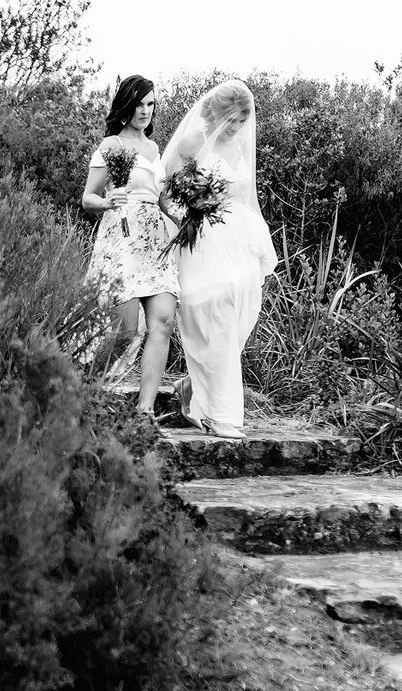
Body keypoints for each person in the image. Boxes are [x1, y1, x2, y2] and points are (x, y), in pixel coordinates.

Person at [159, 79, 277, 439]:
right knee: (214, 308)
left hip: (235, 233)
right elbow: (166, 192)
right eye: (233, 121)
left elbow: (243, 196)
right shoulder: (193, 142)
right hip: (202, 235)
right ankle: (223, 416)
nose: (239, 128)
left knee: (240, 308)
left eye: (244, 122)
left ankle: (190, 386)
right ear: (218, 112)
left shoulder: (239, 145)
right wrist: (186, 215)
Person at [80, 74, 176, 417]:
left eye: (150, 104)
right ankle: (81, 388)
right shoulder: (111, 145)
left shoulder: (153, 148)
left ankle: (144, 411)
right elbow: (88, 198)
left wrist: (187, 217)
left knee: (163, 321)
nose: (145, 111)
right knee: (125, 330)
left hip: (155, 242)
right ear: (126, 105)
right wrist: (108, 201)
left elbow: (162, 199)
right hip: (121, 237)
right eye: (139, 103)